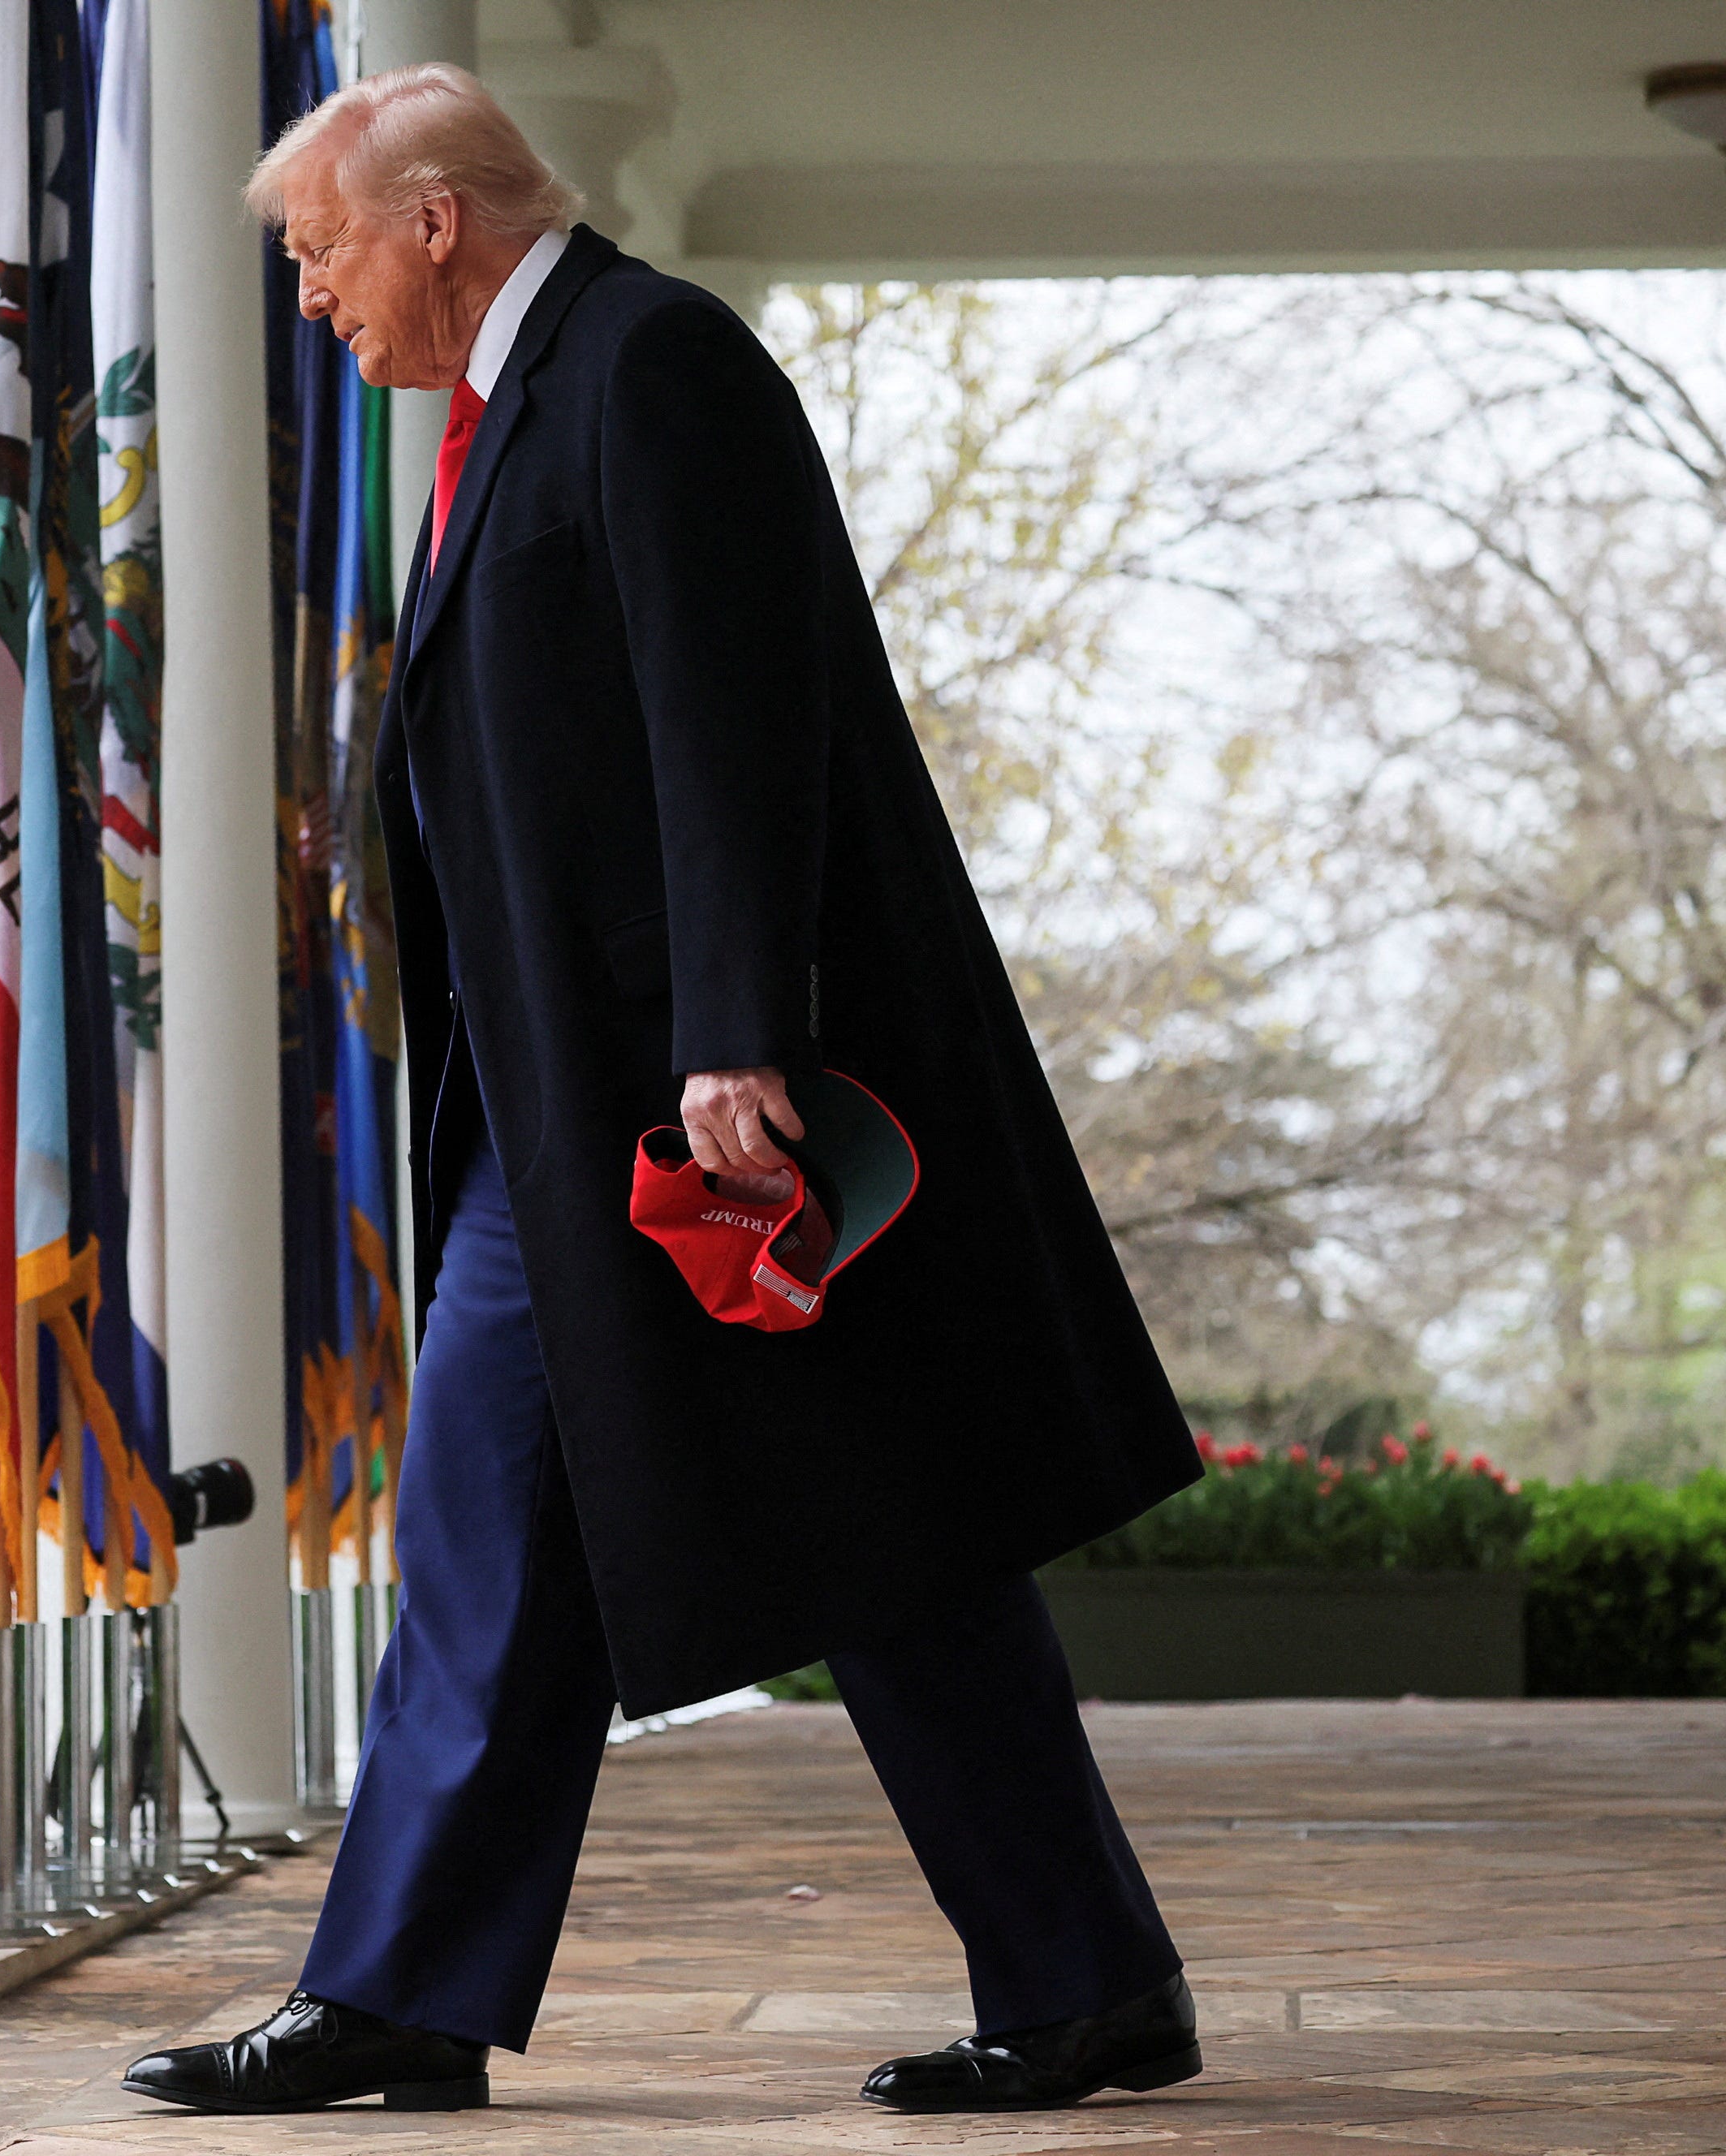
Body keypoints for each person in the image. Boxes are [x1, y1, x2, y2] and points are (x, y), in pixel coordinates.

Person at [123, 64, 1204, 2119]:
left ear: (435, 218)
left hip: (691, 1106)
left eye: (324, 251)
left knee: (883, 1528)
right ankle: (412, 1988)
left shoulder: (652, 363)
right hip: (564, 1110)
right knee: (511, 1531)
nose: (314, 296)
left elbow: (738, 714)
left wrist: (735, 1029)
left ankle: (1083, 1977)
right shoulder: (518, 410)